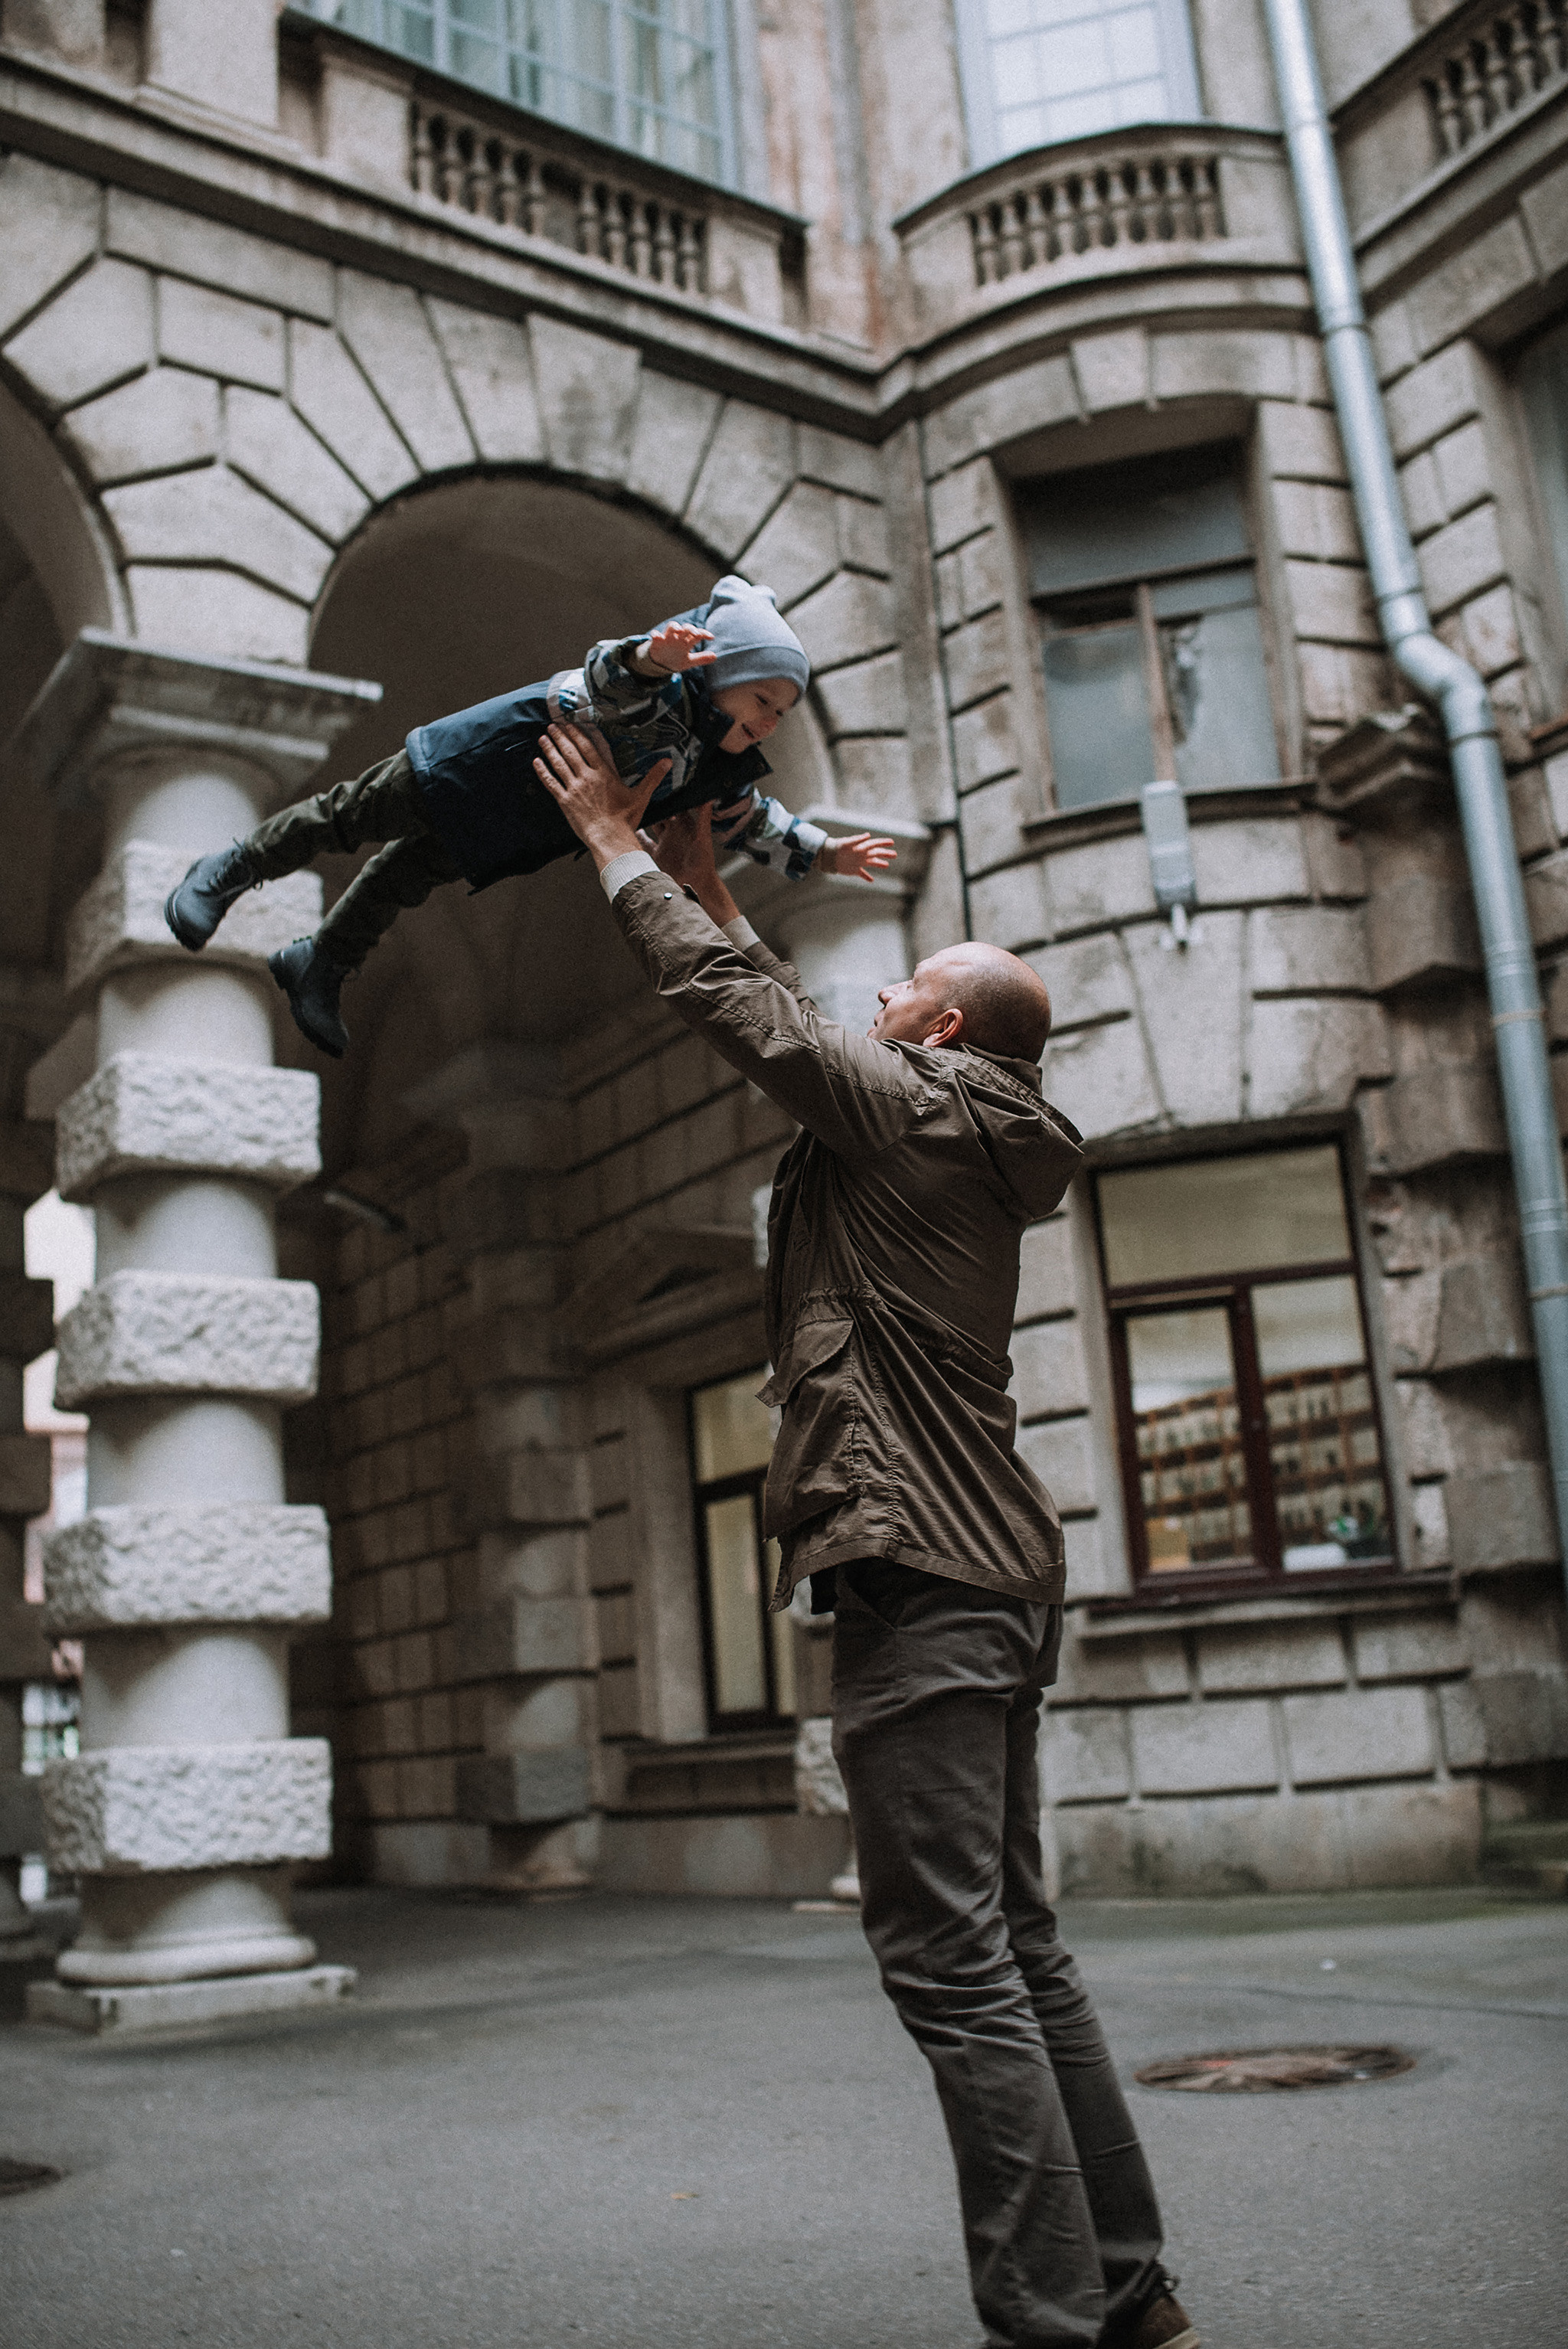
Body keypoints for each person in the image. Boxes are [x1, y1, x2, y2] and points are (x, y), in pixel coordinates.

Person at [531, 715, 1201, 2349]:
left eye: (898, 993)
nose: (875, 1001)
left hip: (923, 1574)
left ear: (944, 1022)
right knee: (1014, 1945)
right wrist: (724, 884)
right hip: (992, 1573)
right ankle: (1128, 2293)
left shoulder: (907, 1112)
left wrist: (621, 850)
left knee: (949, 1960)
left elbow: (747, 1021)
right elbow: (799, 1021)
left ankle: (1051, 2318)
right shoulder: (963, 1123)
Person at [162, 575, 895, 1058]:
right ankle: (230, 867)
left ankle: (321, 962)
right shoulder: (658, 691)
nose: (770, 721)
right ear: (717, 673)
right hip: (471, 763)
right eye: (762, 700)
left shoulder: (715, 765)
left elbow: (754, 821)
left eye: (782, 711)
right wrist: (654, 657)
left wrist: (825, 854)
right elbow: (609, 673)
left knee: (402, 879)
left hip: (516, 823)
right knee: (345, 818)